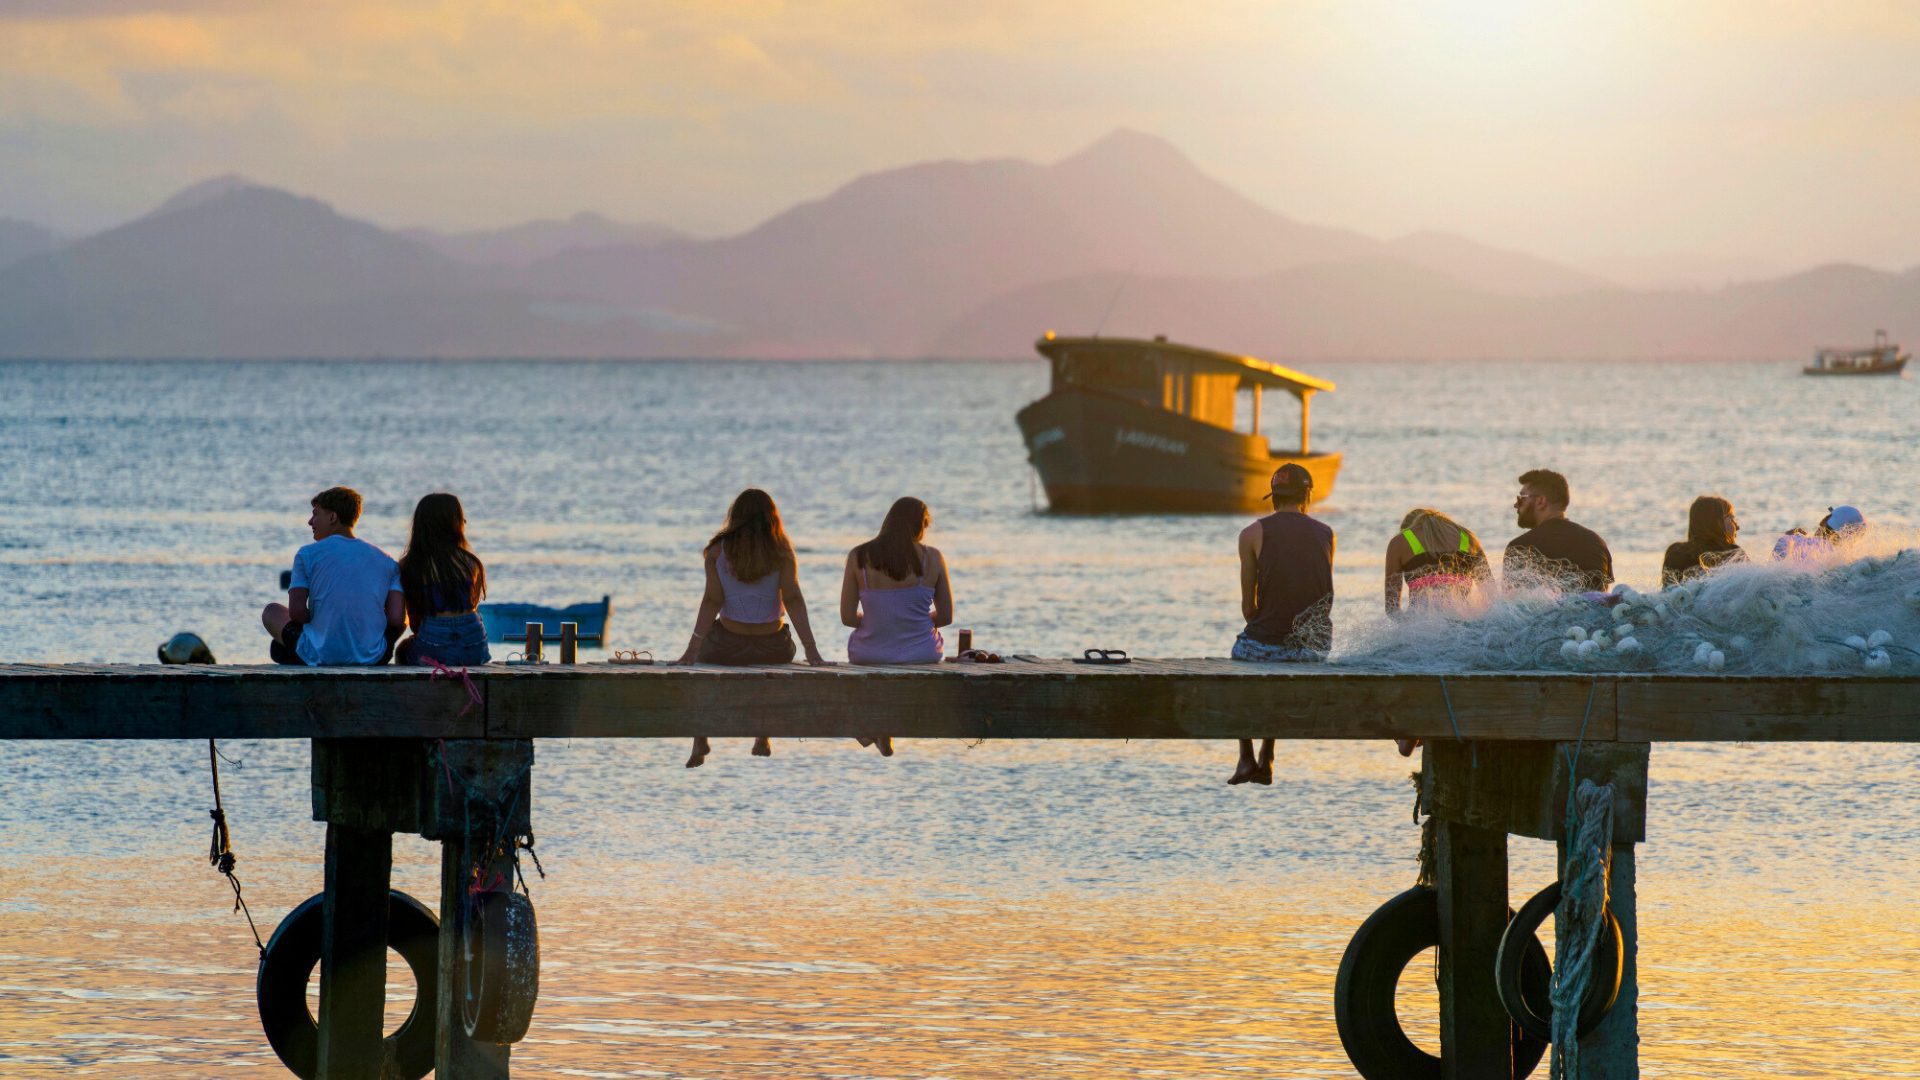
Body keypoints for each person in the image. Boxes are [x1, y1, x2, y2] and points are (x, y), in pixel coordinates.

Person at [676, 488, 829, 767]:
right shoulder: (781, 549)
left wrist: (692, 649)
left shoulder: (717, 550)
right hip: (773, 648)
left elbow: (712, 600)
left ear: (735, 516)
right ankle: (762, 733)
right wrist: (811, 650)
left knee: (699, 668)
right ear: (772, 517)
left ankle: (700, 738)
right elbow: (793, 598)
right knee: (766, 672)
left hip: (727, 646)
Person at [1228, 462, 1335, 785]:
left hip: (1264, 649)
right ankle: (1269, 755)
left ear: (1273, 497)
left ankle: (1247, 758)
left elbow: (1249, 609)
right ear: (1307, 496)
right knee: (1279, 649)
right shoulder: (1327, 534)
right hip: (1312, 651)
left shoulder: (1251, 534)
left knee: (1241, 659)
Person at [261, 486, 405, 666]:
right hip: (373, 656)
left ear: (332, 517)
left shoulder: (307, 554)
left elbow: (297, 613)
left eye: (315, 514)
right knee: (401, 618)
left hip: (320, 654)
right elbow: (396, 619)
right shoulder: (387, 561)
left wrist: (322, 624)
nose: (310, 521)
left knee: (272, 613)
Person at [394, 492, 491, 667]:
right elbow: (471, 606)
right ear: (457, 524)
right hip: (475, 646)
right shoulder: (470, 562)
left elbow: (415, 621)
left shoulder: (410, 564)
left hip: (434, 641)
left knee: (402, 650)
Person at [1502, 469, 1612, 594]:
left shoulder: (1520, 547)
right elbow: (1602, 599)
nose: (1516, 504)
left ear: (1540, 501)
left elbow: (1511, 604)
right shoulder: (1596, 542)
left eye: (1522, 497)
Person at [1383, 508, 1490, 614]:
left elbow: (1392, 609)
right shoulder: (1468, 538)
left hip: (1421, 625)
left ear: (1408, 531)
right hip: (1465, 625)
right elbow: (1491, 596)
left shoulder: (1400, 542)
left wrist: (1407, 626)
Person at [1662, 495, 1747, 587]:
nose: (1737, 527)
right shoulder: (1732, 553)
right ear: (1716, 522)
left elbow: (1668, 594)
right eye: (1731, 519)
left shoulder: (1675, 552)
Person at [1772, 505, 1866, 560]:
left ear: (1826, 520)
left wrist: (1788, 536)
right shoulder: (1846, 559)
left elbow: (1775, 564)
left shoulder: (1794, 542)